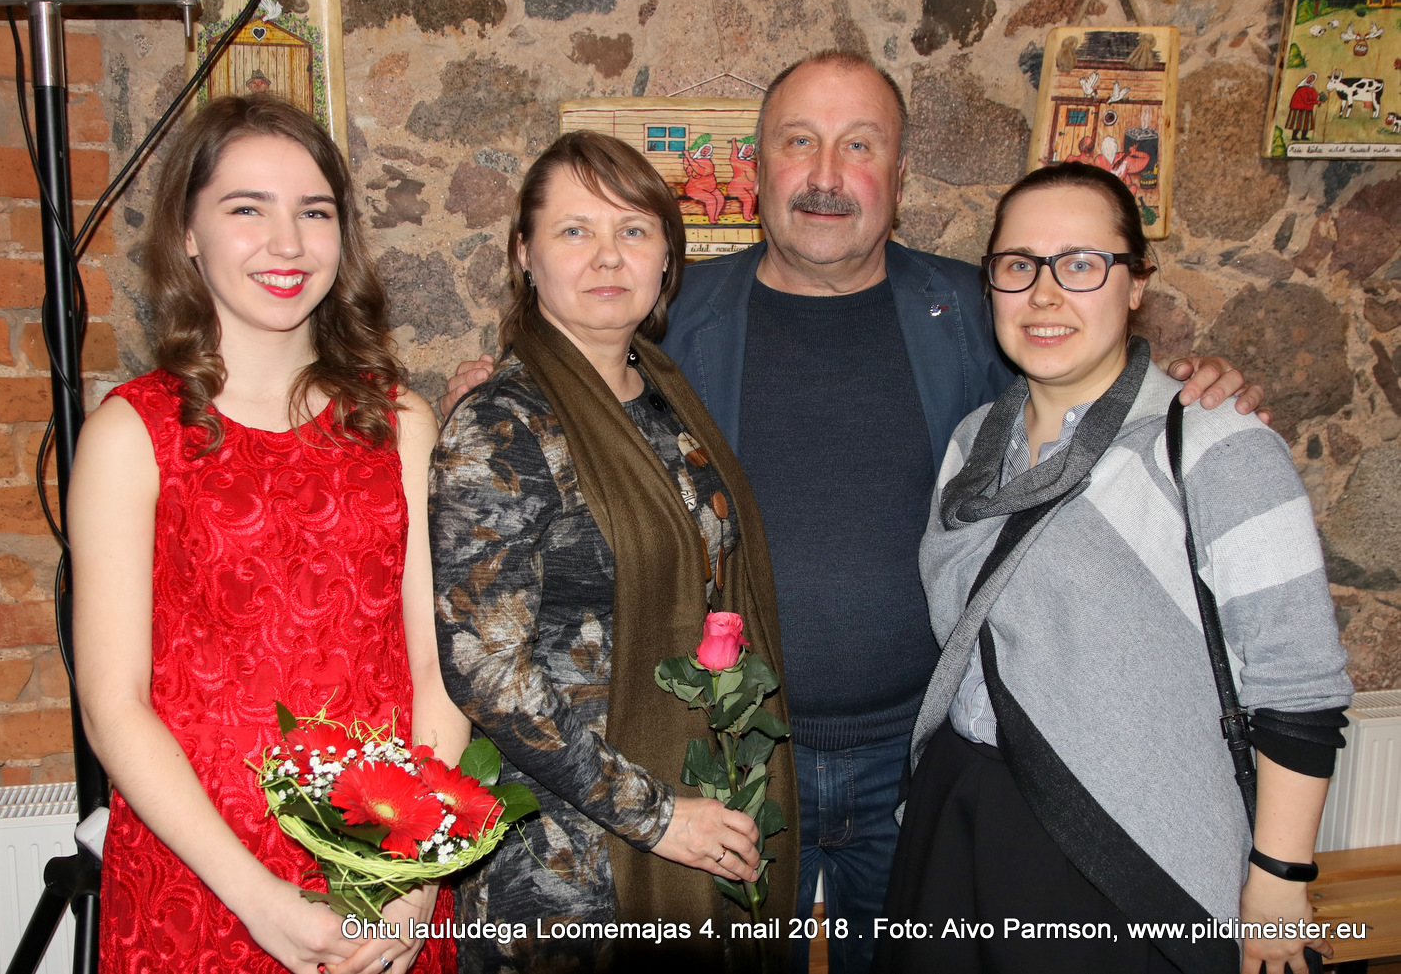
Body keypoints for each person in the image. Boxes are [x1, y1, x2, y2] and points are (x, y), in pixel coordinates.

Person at [440, 51, 1264, 974]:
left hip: (918, 761)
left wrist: (1189, 386)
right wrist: (499, 384)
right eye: (800, 142)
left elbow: (1089, 382)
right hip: (733, 758)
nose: (826, 175)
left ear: (899, 177)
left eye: (859, 145)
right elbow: (565, 395)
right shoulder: (673, 316)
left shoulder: (978, 309)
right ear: (757, 168)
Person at [875, 161, 1351, 974]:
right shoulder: (972, 445)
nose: (1045, 293)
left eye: (1082, 264)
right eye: (1019, 265)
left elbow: (1299, 684)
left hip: (1122, 839)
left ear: (1136, 284)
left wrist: (1278, 879)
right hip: (961, 814)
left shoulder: (1218, 445)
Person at [70, 94, 470, 974]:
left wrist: (410, 873)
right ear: (188, 231)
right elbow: (113, 703)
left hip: (384, 866)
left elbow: (438, 670)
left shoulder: (401, 424)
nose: (287, 243)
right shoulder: (130, 435)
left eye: (313, 212)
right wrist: (256, 897)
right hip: (202, 873)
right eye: (247, 208)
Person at [430, 130, 798, 973]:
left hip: (689, 811)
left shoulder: (665, 397)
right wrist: (659, 815)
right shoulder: (501, 425)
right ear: (525, 254)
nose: (607, 256)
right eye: (575, 230)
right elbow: (485, 670)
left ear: (667, 256)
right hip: (566, 865)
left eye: (633, 230)